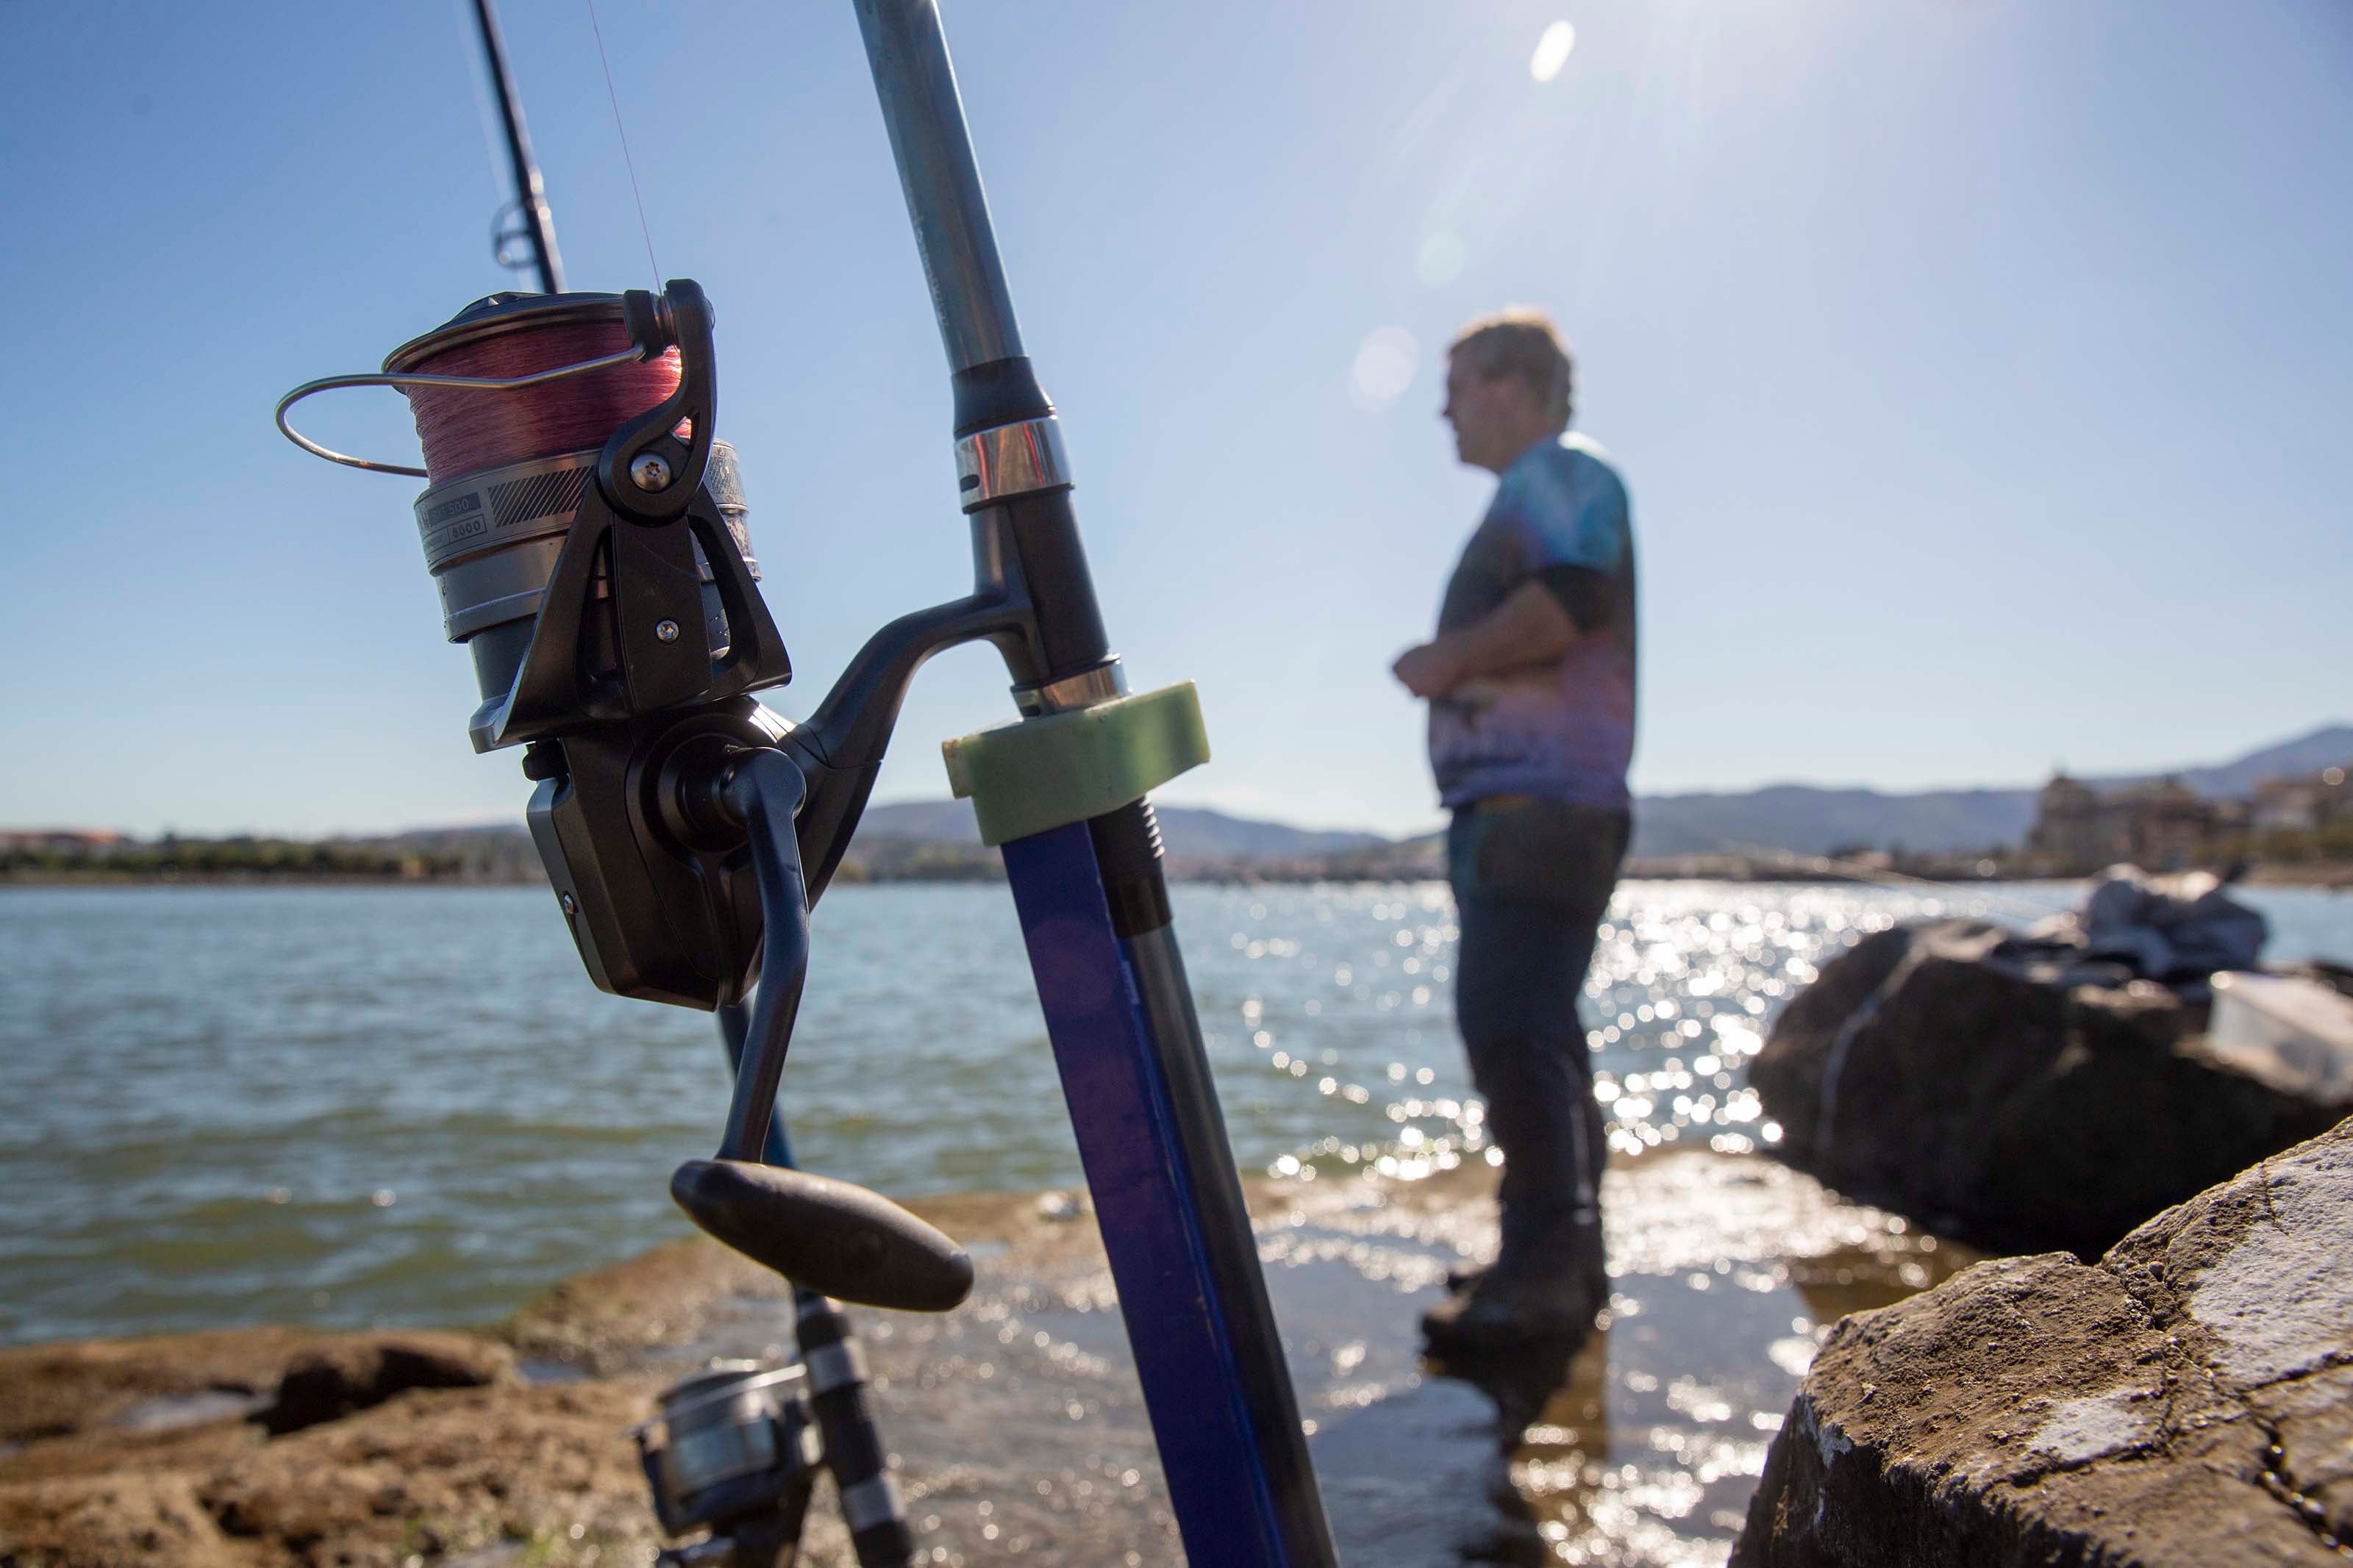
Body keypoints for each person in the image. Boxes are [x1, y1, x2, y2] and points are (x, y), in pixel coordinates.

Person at [1391, 308, 1636, 1347]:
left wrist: (1447, 663)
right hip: (1525, 812)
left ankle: (1542, 1276)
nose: (1444, 407)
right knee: (1541, 1033)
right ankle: (1557, 1257)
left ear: (1511, 382)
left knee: (1509, 1026)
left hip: (1544, 810)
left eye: (1456, 384)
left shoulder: (1564, 473)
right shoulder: (1532, 491)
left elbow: (1575, 597)